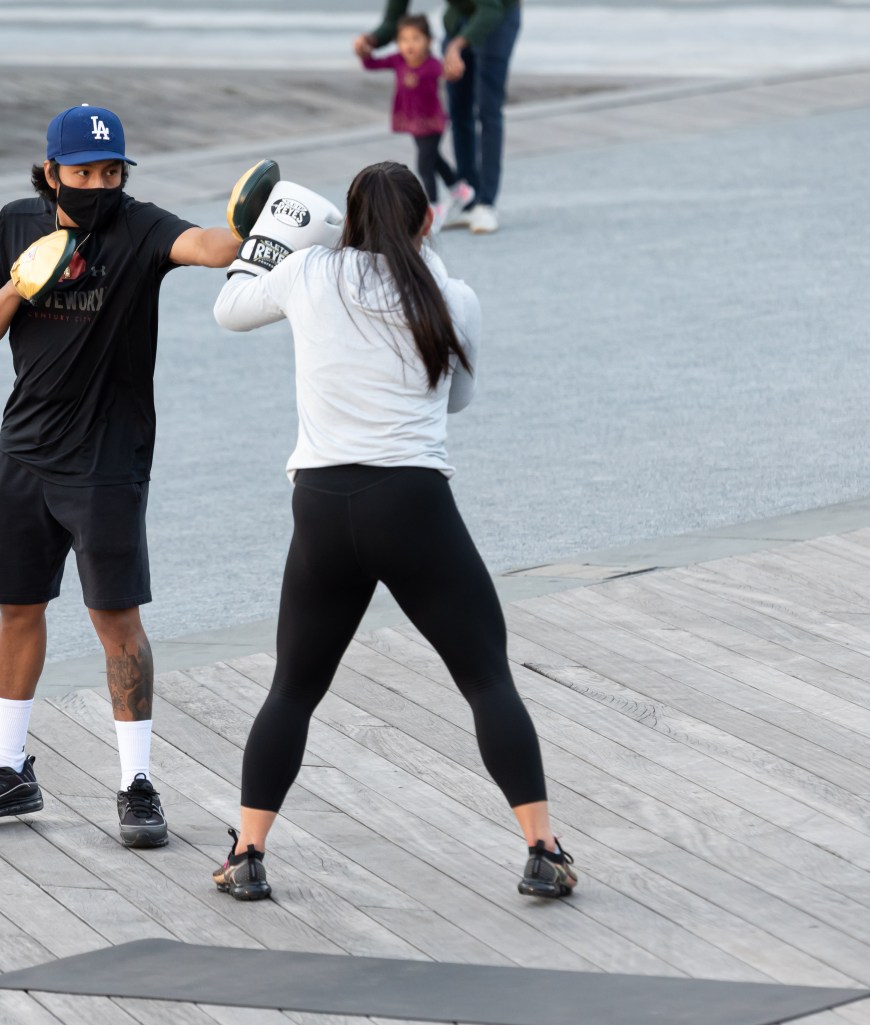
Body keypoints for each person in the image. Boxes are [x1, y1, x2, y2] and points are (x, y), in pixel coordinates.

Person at [210, 161, 578, 900]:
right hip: (412, 505)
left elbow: (230, 310)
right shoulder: (451, 294)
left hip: (322, 505)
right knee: (486, 678)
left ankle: (247, 854)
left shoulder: (309, 273)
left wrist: (275, 239)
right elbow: (457, 400)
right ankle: (542, 849)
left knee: (293, 689)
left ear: (349, 221)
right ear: (427, 221)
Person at [0, 104, 241, 849]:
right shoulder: (16, 224)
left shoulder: (137, 227)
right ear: (51, 172)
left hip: (106, 463)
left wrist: (252, 224)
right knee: (17, 606)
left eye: (111, 172)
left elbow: (207, 246)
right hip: (24, 455)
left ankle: (138, 783)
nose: (99, 184)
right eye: (84, 172)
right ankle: (8, 769)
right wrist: (22, 285)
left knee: (116, 620)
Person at [355, 0, 521, 234]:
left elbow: (490, 8)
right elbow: (394, 19)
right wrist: (370, 41)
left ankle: (486, 203)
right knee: (459, 111)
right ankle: (468, 200)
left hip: (497, 17)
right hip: (459, 19)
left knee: (488, 110)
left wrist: (457, 45)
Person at [358, 13, 472, 231]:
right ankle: (460, 190)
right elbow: (371, 64)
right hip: (413, 122)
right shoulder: (398, 60)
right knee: (434, 158)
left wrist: (455, 71)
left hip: (432, 123)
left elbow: (449, 72)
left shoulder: (432, 65)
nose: (409, 44)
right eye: (404, 39)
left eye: (416, 38)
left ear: (428, 41)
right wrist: (363, 52)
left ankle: (435, 208)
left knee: (424, 165)